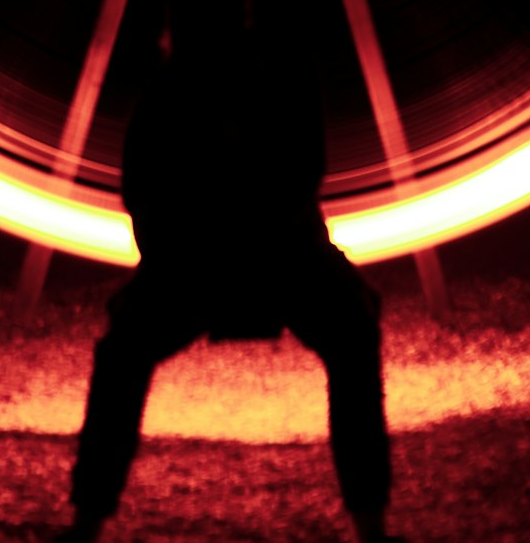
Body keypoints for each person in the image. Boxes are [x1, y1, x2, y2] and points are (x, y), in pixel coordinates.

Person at [57, 27, 407, 543]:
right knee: (353, 329)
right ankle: (371, 526)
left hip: (195, 256)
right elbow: (304, 170)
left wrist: (165, 261)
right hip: (281, 251)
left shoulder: (173, 83)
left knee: (123, 353)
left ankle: (86, 522)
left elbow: (142, 181)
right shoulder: (291, 66)